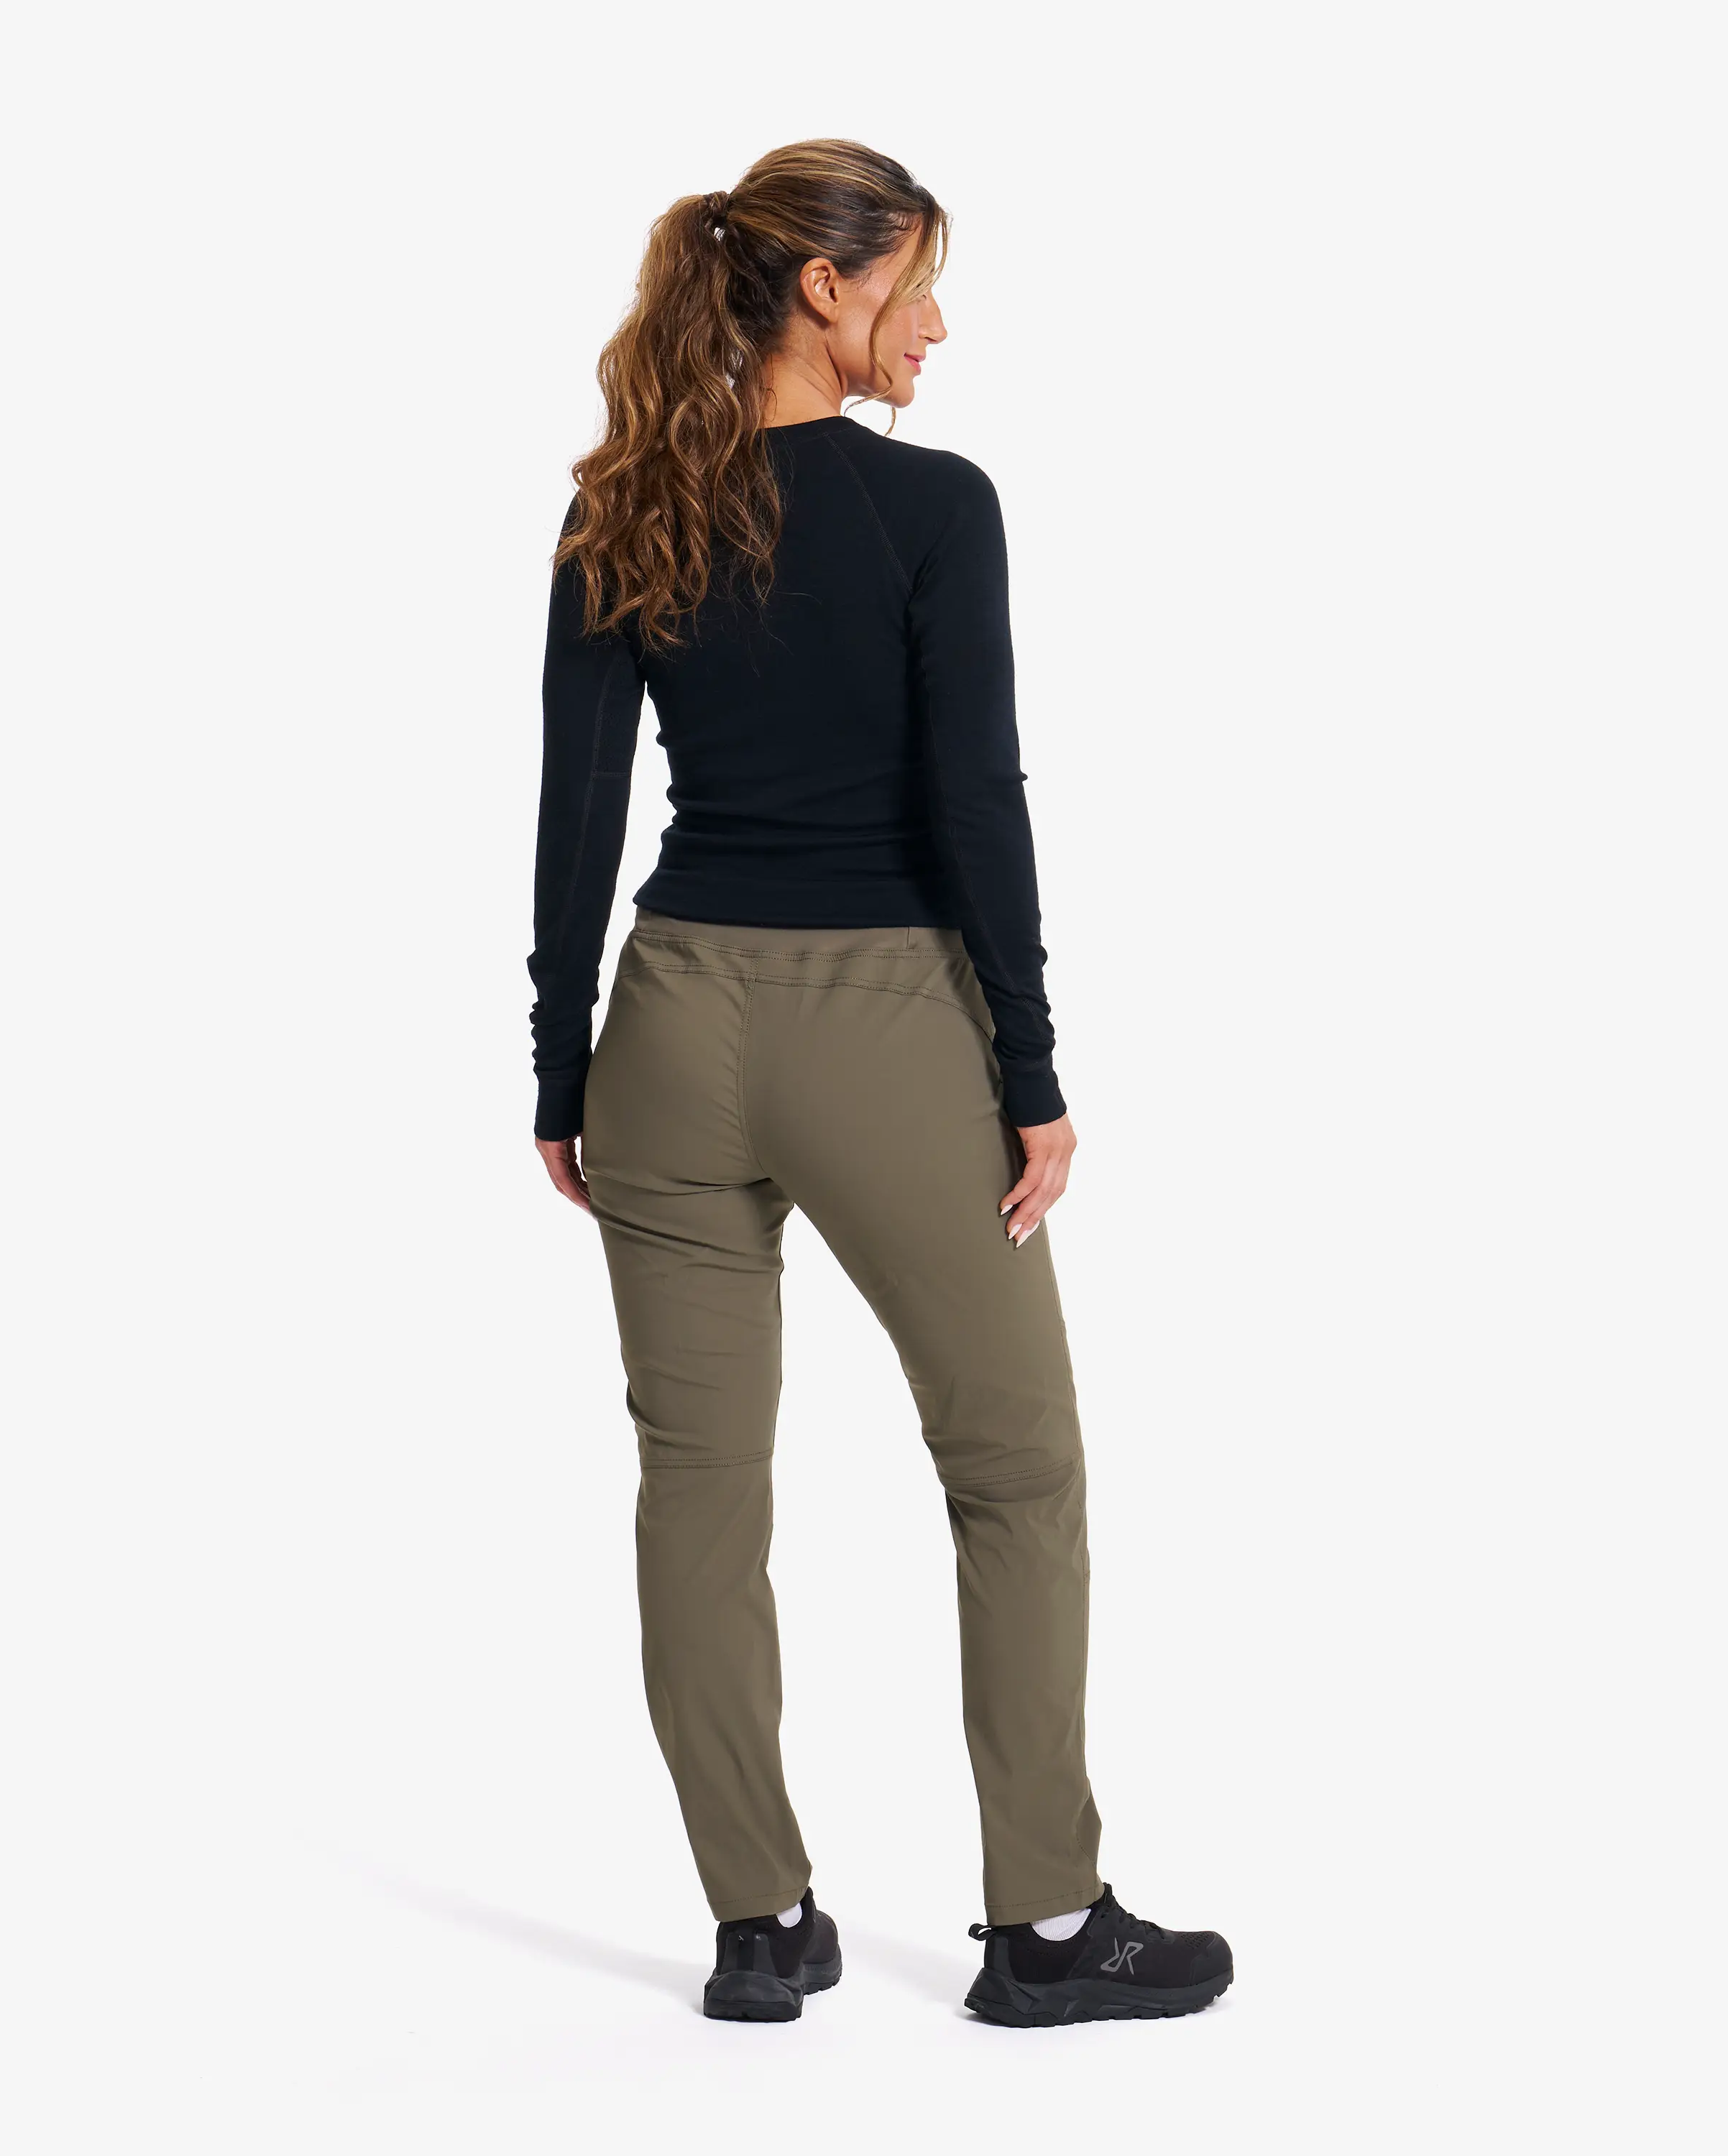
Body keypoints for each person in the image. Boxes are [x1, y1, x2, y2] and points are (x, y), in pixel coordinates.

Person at [524, 138, 1232, 2027]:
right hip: (887, 1023)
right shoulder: (933, 508)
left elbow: (577, 812)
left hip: (669, 1025)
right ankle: (1047, 1929)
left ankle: (760, 1929)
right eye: (916, 283)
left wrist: (561, 1069)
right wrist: (1031, 1064)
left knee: (697, 1484)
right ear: (825, 287)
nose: (935, 324)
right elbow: (975, 796)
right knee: (1014, 1470)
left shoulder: (625, 503)